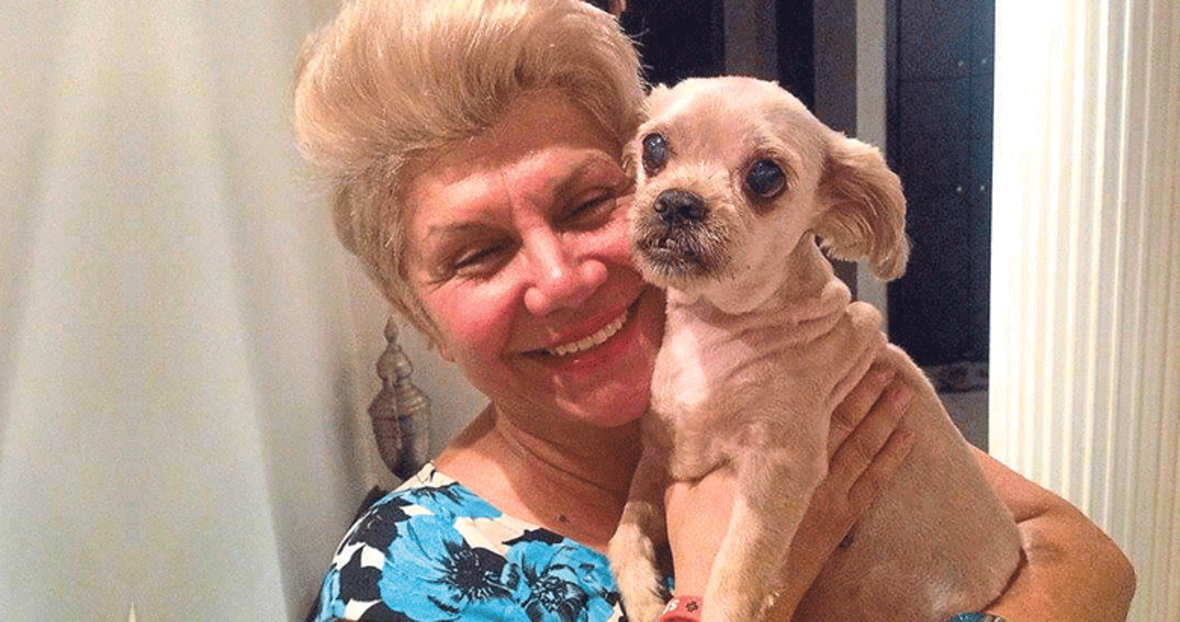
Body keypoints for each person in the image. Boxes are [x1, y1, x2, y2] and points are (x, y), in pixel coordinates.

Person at [293, 0, 1136, 620]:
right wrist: (754, 586)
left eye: (589, 202)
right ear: (414, 308)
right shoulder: (398, 581)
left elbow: (1089, 557)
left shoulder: (818, 386)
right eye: (477, 253)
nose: (562, 280)